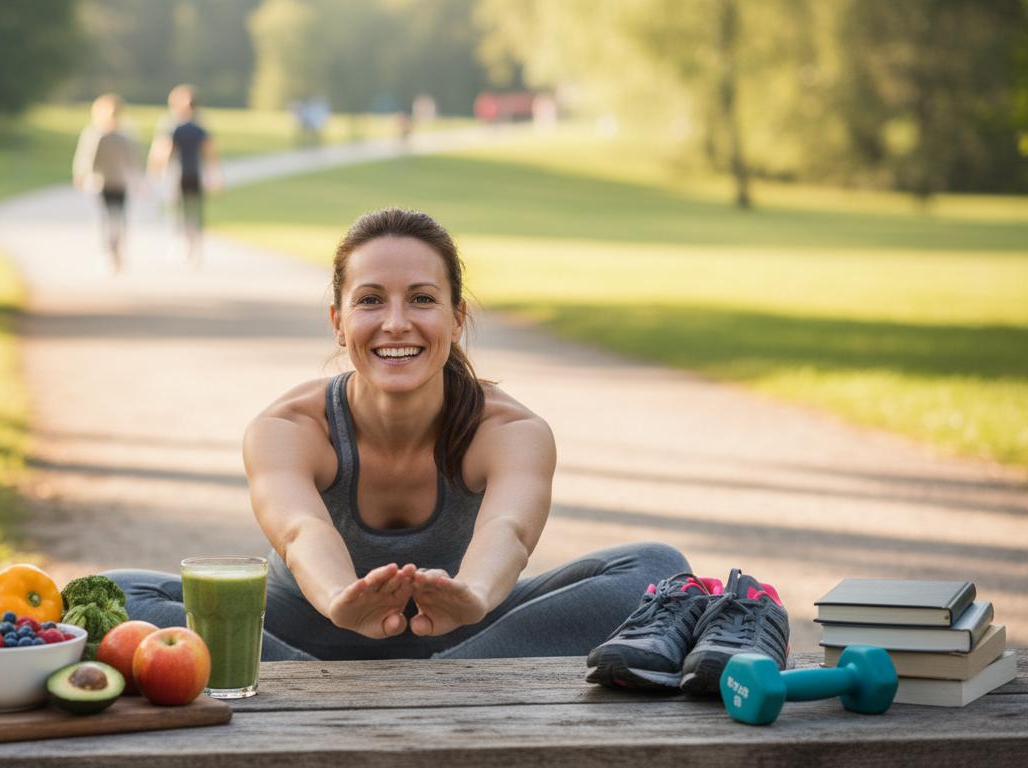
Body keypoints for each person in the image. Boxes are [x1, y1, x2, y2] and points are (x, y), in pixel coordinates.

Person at [106, 208, 689, 660]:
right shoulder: (288, 427)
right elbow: (301, 529)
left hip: (469, 629)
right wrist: (341, 601)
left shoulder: (510, 429)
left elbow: (509, 532)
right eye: (370, 300)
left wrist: (475, 596)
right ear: (338, 321)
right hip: (300, 634)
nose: (396, 322)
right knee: (113, 593)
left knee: (656, 568)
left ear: (457, 318)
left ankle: (416, 682)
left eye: (422, 299)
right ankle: (350, 686)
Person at [147, 84, 220, 266]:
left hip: (185, 173)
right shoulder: (194, 125)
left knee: (185, 210)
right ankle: (187, 244)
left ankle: (189, 244)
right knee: (185, 210)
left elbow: (163, 150)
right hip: (184, 173)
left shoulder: (175, 125)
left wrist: (155, 171)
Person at [72, 94, 142, 274]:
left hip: (117, 183)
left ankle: (115, 252)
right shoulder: (97, 134)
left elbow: (132, 160)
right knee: (107, 219)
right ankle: (110, 253)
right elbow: (87, 159)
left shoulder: (122, 135)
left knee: (115, 220)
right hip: (102, 183)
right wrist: (82, 175)